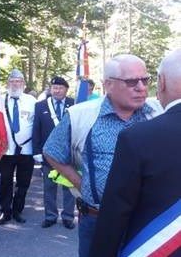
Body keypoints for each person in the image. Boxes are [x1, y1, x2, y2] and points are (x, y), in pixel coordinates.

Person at [43, 54, 163, 257]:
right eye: (132, 81)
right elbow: (51, 151)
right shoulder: (82, 115)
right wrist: (82, 185)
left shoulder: (158, 113)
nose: (141, 87)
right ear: (108, 84)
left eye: (145, 80)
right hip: (97, 219)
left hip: (147, 221)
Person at [90, 49, 181, 256]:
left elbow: (115, 213)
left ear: (162, 82)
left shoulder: (137, 137)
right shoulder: (83, 115)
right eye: (132, 81)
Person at [0, 69, 36, 225]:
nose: (15, 84)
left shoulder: (32, 100)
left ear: (23, 84)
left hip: (27, 150)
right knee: (5, 181)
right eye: (12, 81)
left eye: (18, 81)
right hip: (7, 150)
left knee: (23, 183)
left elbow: (36, 124)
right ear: (8, 83)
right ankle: (5, 211)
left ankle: (18, 210)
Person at [32, 77, 75, 229]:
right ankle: (50, 216)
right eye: (54, 87)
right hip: (48, 155)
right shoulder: (41, 106)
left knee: (69, 188)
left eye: (60, 88)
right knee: (49, 187)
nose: (56, 90)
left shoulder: (75, 104)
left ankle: (68, 217)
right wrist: (36, 151)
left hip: (69, 155)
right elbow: (36, 129)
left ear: (66, 90)